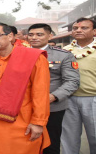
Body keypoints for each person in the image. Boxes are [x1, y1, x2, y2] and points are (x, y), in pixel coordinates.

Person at [0, 22, 51, 154]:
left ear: (10, 36)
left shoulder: (34, 58)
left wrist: (38, 122)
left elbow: (41, 94)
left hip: (22, 121)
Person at [28, 23, 80, 154]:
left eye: (39, 34)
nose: (34, 37)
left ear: (50, 36)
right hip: (25, 107)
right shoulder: (18, 54)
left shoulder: (63, 55)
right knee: (26, 142)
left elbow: (72, 81)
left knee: (50, 144)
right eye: (31, 35)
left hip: (52, 108)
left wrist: (53, 97)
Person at [61, 18, 96, 154]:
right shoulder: (65, 50)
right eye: (75, 28)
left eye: (84, 28)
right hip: (68, 99)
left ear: (95, 31)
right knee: (68, 138)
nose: (78, 30)